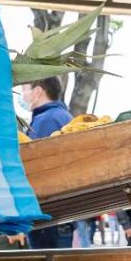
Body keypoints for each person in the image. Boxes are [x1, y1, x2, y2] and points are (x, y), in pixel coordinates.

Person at [19, 77, 75, 249]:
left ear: (37, 91)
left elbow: (35, 169)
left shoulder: (46, 120)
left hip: (48, 217)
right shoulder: (60, 115)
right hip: (59, 216)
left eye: (24, 88)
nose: (22, 95)